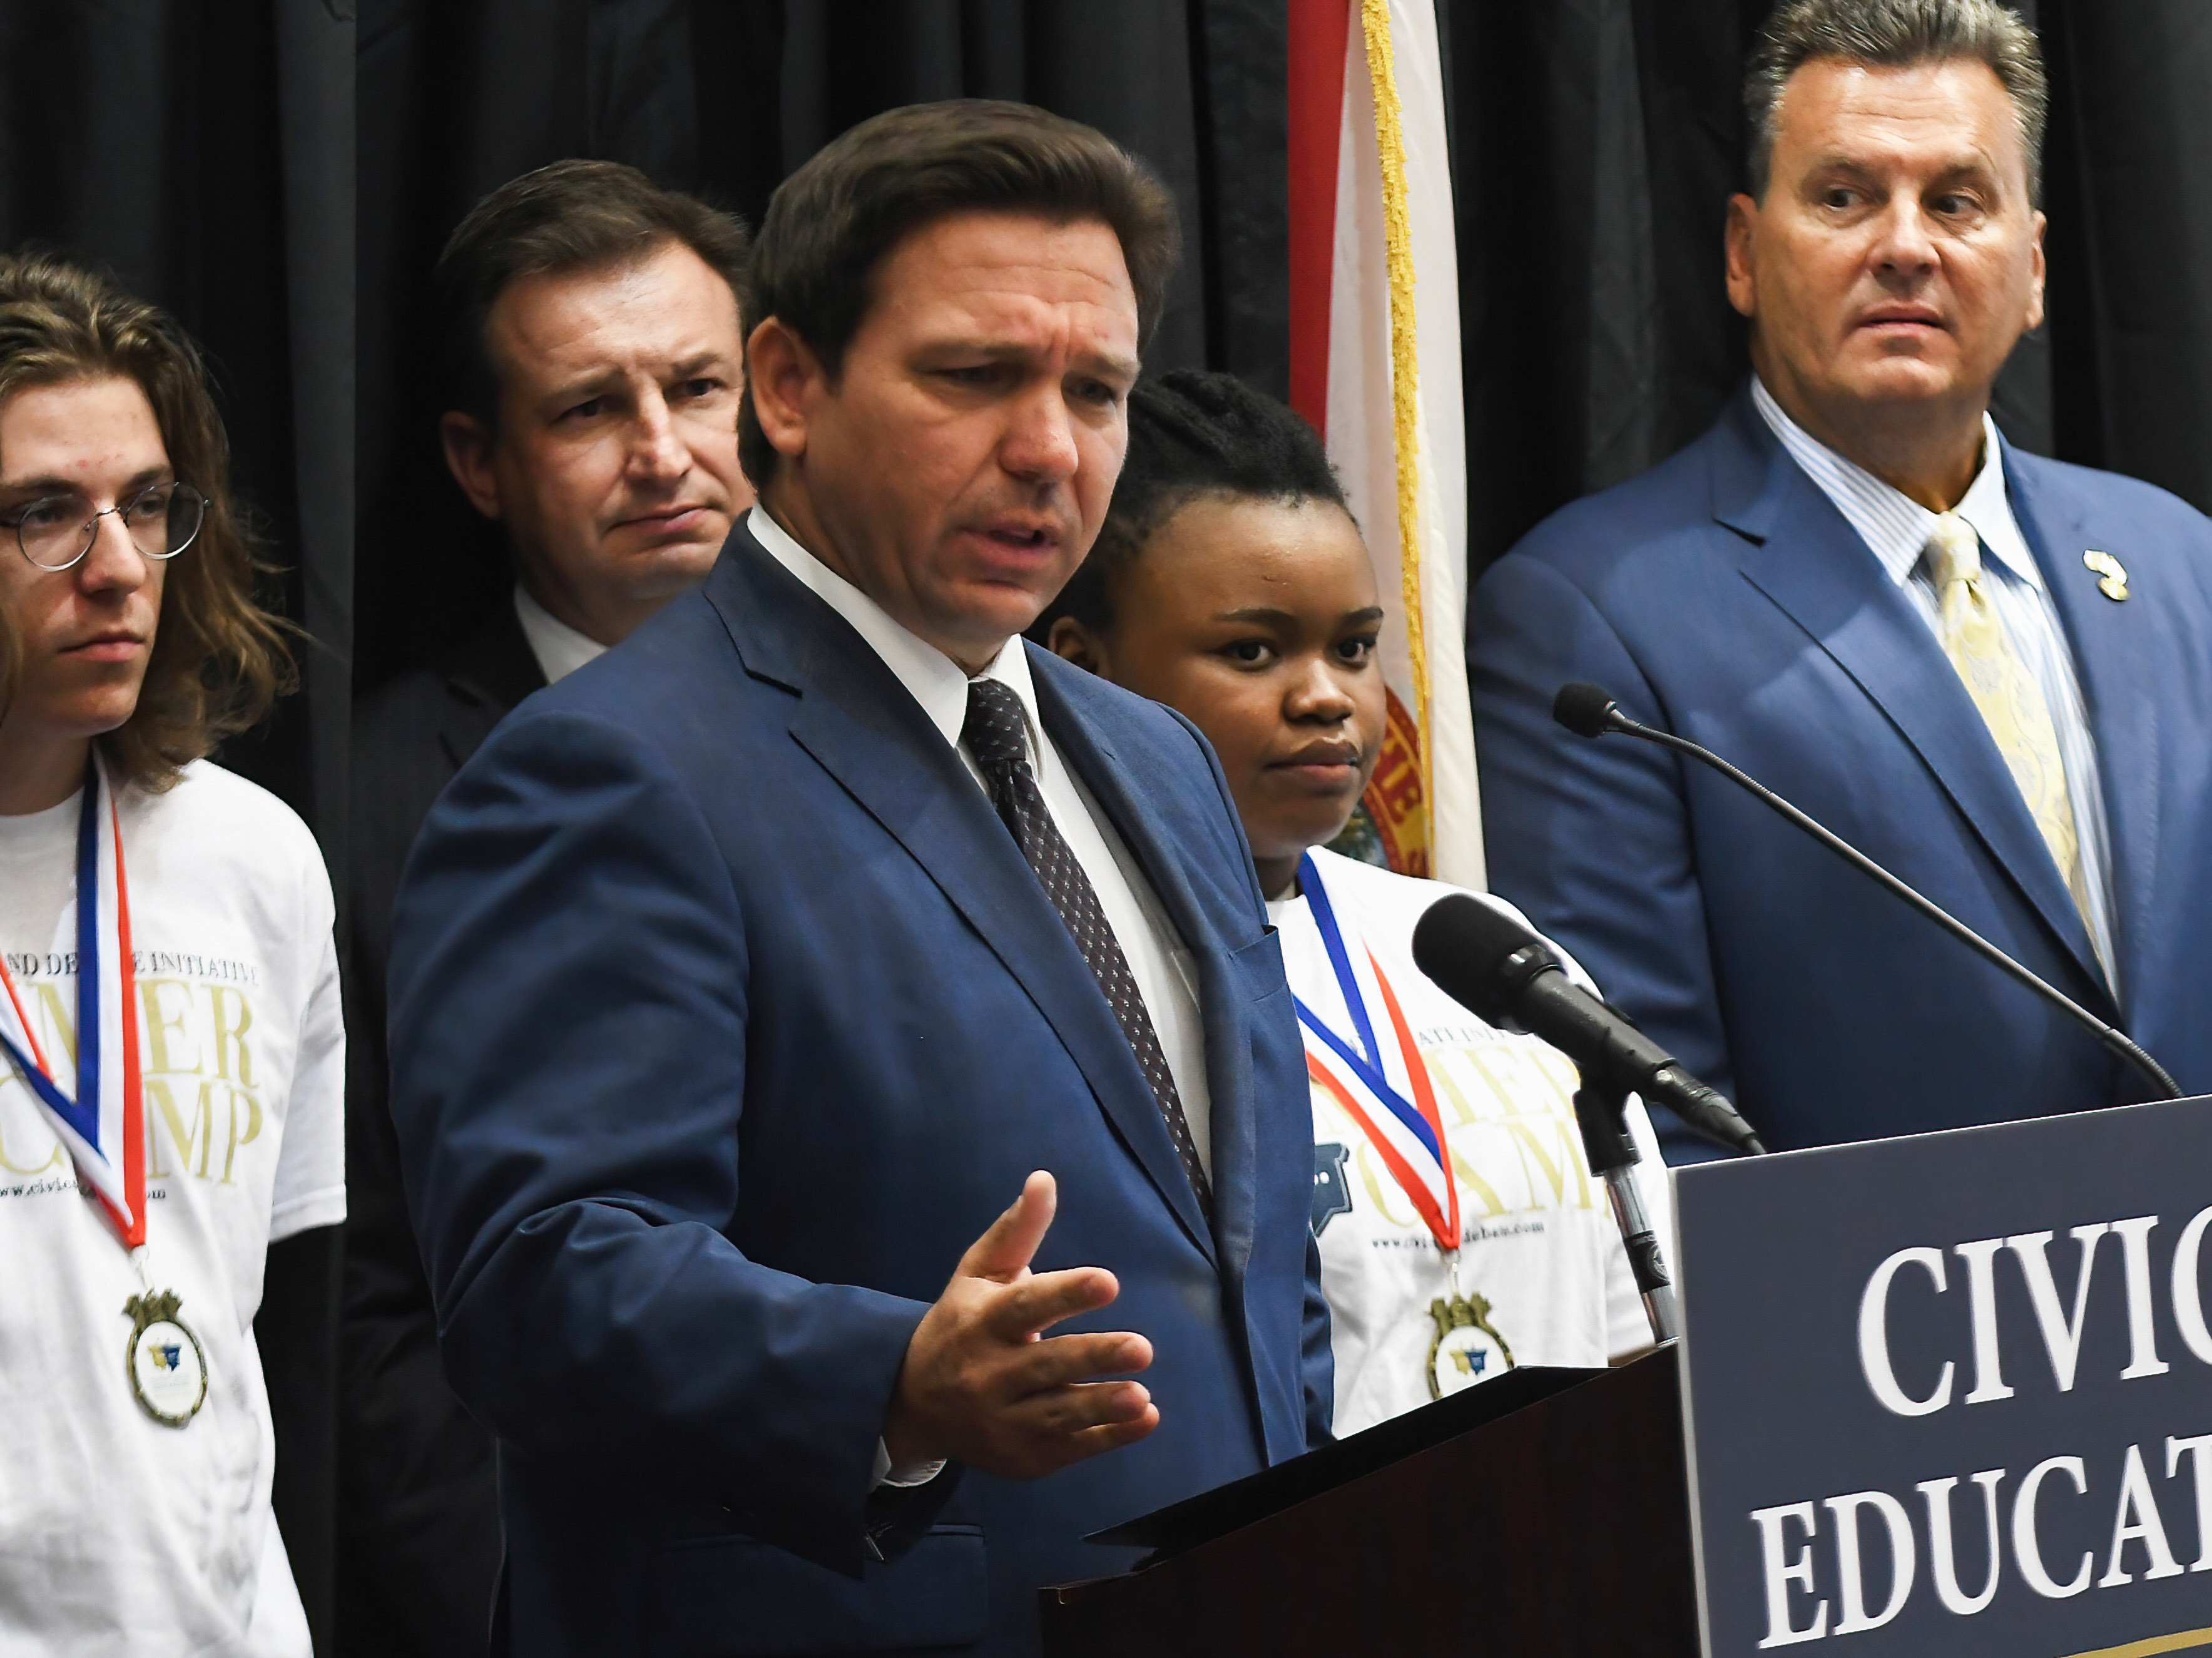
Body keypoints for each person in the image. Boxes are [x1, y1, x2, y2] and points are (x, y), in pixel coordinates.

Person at [385, 101, 1329, 1658]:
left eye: (1096, 389)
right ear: (789, 384)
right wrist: (894, 1377)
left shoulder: (1158, 756)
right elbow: (538, 1274)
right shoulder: (611, 766)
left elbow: (1245, 1245)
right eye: (975, 376)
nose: (1050, 447)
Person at [1470, 0, 2212, 1156]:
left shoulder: (2180, 564)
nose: (1907, 245)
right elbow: (1654, 1135)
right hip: (1870, 1319)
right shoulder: (1590, 618)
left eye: (1956, 201)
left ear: (2033, 268)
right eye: (1844, 196)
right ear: (1741, 254)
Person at [1041, 370, 1666, 1436]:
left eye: (1355, 646)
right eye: (1252, 650)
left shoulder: (1482, 951)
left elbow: (1637, 1330)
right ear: (1082, 668)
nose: (1327, 694)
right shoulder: (1067, 981)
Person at [341, 158, 753, 1658]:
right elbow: (372, 1309)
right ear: (478, 459)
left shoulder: (913, 734)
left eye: (697, 389)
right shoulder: (368, 800)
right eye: (590, 409)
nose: (664, 454)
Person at [0, 253, 343, 1655]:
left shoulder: (254, 859)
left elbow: (272, 1319)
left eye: (145, 505)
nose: (123, 567)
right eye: (43, 516)